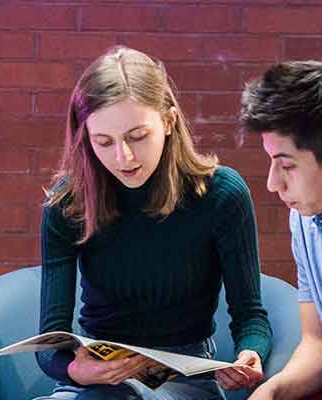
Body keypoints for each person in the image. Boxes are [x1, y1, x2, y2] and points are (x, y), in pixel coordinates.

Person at [35, 46, 272, 400]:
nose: (123, 157)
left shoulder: (221, 194)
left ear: (169, 122)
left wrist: (250, 353)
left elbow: (251, 315)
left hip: (184, 375)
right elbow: (51, 338)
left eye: (137, 136)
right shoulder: (68, 203)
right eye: (104, 142)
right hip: (102, 379)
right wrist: (73, 369)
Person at [240, 60, 322, 400]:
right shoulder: (305, 221)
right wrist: (273, 390)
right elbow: (320, 342)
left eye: (286, 165)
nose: (272, 183)